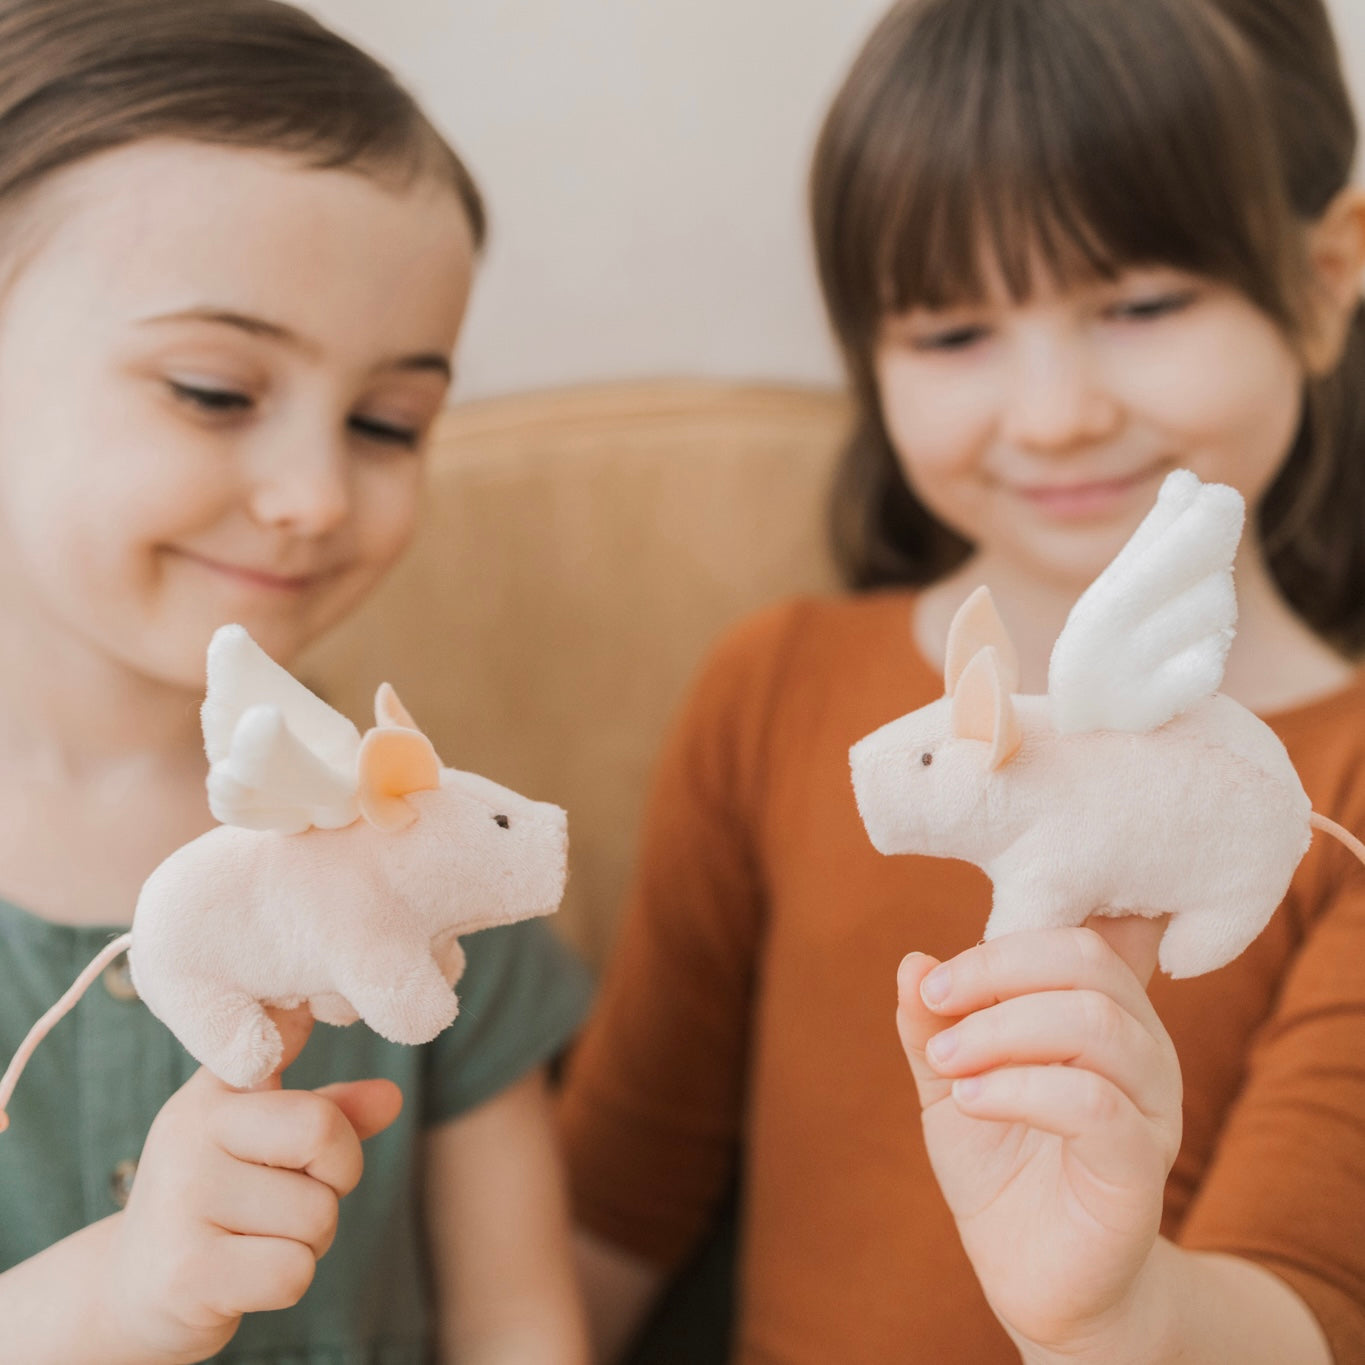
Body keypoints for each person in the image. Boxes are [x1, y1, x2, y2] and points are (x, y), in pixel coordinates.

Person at [557, 0, 1365, 1360]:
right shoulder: (774, 692)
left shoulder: (1338, 786)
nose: (1052, 412)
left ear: (1327, 272)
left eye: (1142, 303)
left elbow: (1306, 1309)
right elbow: (603, 1218)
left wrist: (1109, 1310)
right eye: (952, 334)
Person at [0, 2, 593, 1361]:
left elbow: (517, 1321)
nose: (316, 494)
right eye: (212, 389)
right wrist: (113, 1298)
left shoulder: (435, 862)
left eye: (389, 421)